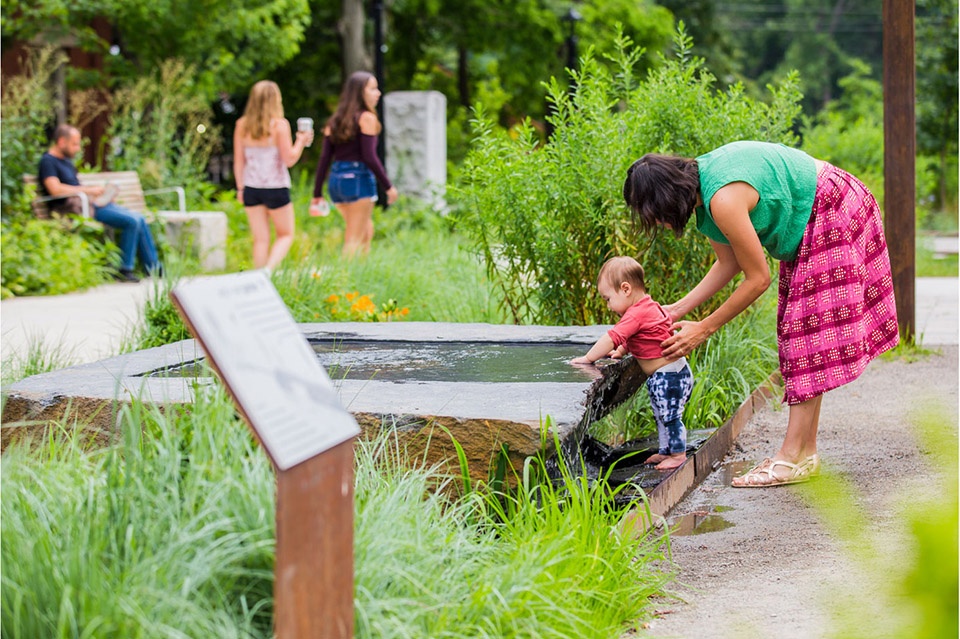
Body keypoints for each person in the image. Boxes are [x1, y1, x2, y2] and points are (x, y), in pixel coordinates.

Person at [622, 140, 899, 487]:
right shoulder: (705, 195)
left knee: (805, 337)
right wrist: (678, 309)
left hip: (831, 206)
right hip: (823, 207)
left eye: (652, 214)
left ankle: (790, 456)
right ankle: (804, 454)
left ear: (662, 199)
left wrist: (704, 328)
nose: (658, 224)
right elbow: (730, 263)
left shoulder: (721, 198)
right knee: (801, 336)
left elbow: (758, 279)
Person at [572, 256, 694, 470]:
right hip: (670, 374)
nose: (608, 306)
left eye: (608, 299)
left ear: (625, 289)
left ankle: (678, 454)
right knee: (661, 415)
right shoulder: (649, 307)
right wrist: (621, 350)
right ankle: (666, 450)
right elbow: (641, 336)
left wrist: (588, 358)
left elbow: (613, 336)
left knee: (670, 416)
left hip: (669, 376)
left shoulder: (636, 313)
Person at [38, 124, 161, 282]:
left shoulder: (66, 161)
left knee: (140, 218)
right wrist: (89, 190)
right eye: (74, 144)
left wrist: (102, 194)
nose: (77, 148)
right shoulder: (48, 162)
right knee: (132, 221)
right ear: (62, 141)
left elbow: (75, 186)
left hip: (88, 203)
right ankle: (125, 270)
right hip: (73, 209)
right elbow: (54, 189)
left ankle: (155, 269)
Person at [311, 70, 399, 257]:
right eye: (373, 89)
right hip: (358, 180)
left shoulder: (334, 121)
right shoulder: (367, 118)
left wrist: (317, 192)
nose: (378, 93)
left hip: (337, 182)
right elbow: (369, 156)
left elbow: (325, 159)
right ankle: (343, 282)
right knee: (353, 238)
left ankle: (360, 274)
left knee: (366, 231)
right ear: (360, 92)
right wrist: (388, 186)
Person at [234, 80, 313, 272]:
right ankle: (268, 270)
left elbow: (239, 160)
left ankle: (258, 276)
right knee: (285, 235)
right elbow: (289, 159)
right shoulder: (280, 125)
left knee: (260, 239)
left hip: (251, 188)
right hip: (276, 187)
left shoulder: (242, 125)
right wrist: (301, 141)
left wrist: (240, 188)